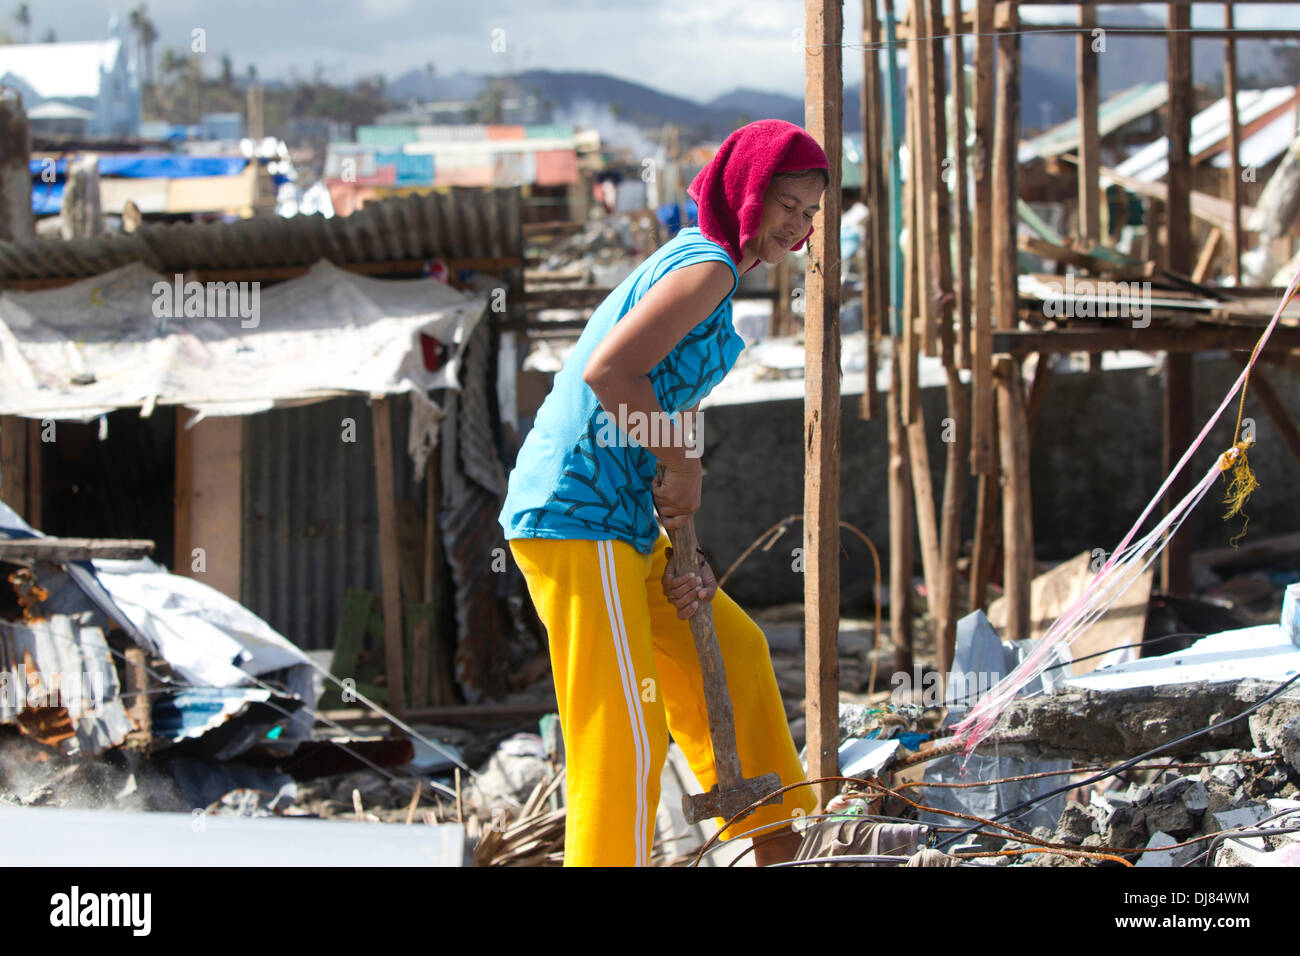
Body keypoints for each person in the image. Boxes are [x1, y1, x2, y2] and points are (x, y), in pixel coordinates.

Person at [498, 119, 830, 867]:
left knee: (737, 656)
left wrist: (684, 549)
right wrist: (685, 465)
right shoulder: (707, 268)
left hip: (624, 519)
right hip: (576, 514)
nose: (798, 223)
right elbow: (610, 374)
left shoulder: (711, 265)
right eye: (787, 203)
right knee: (623, 730)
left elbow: (654, 398)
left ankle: (780, 847)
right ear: (748, 191)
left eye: (810, 211)